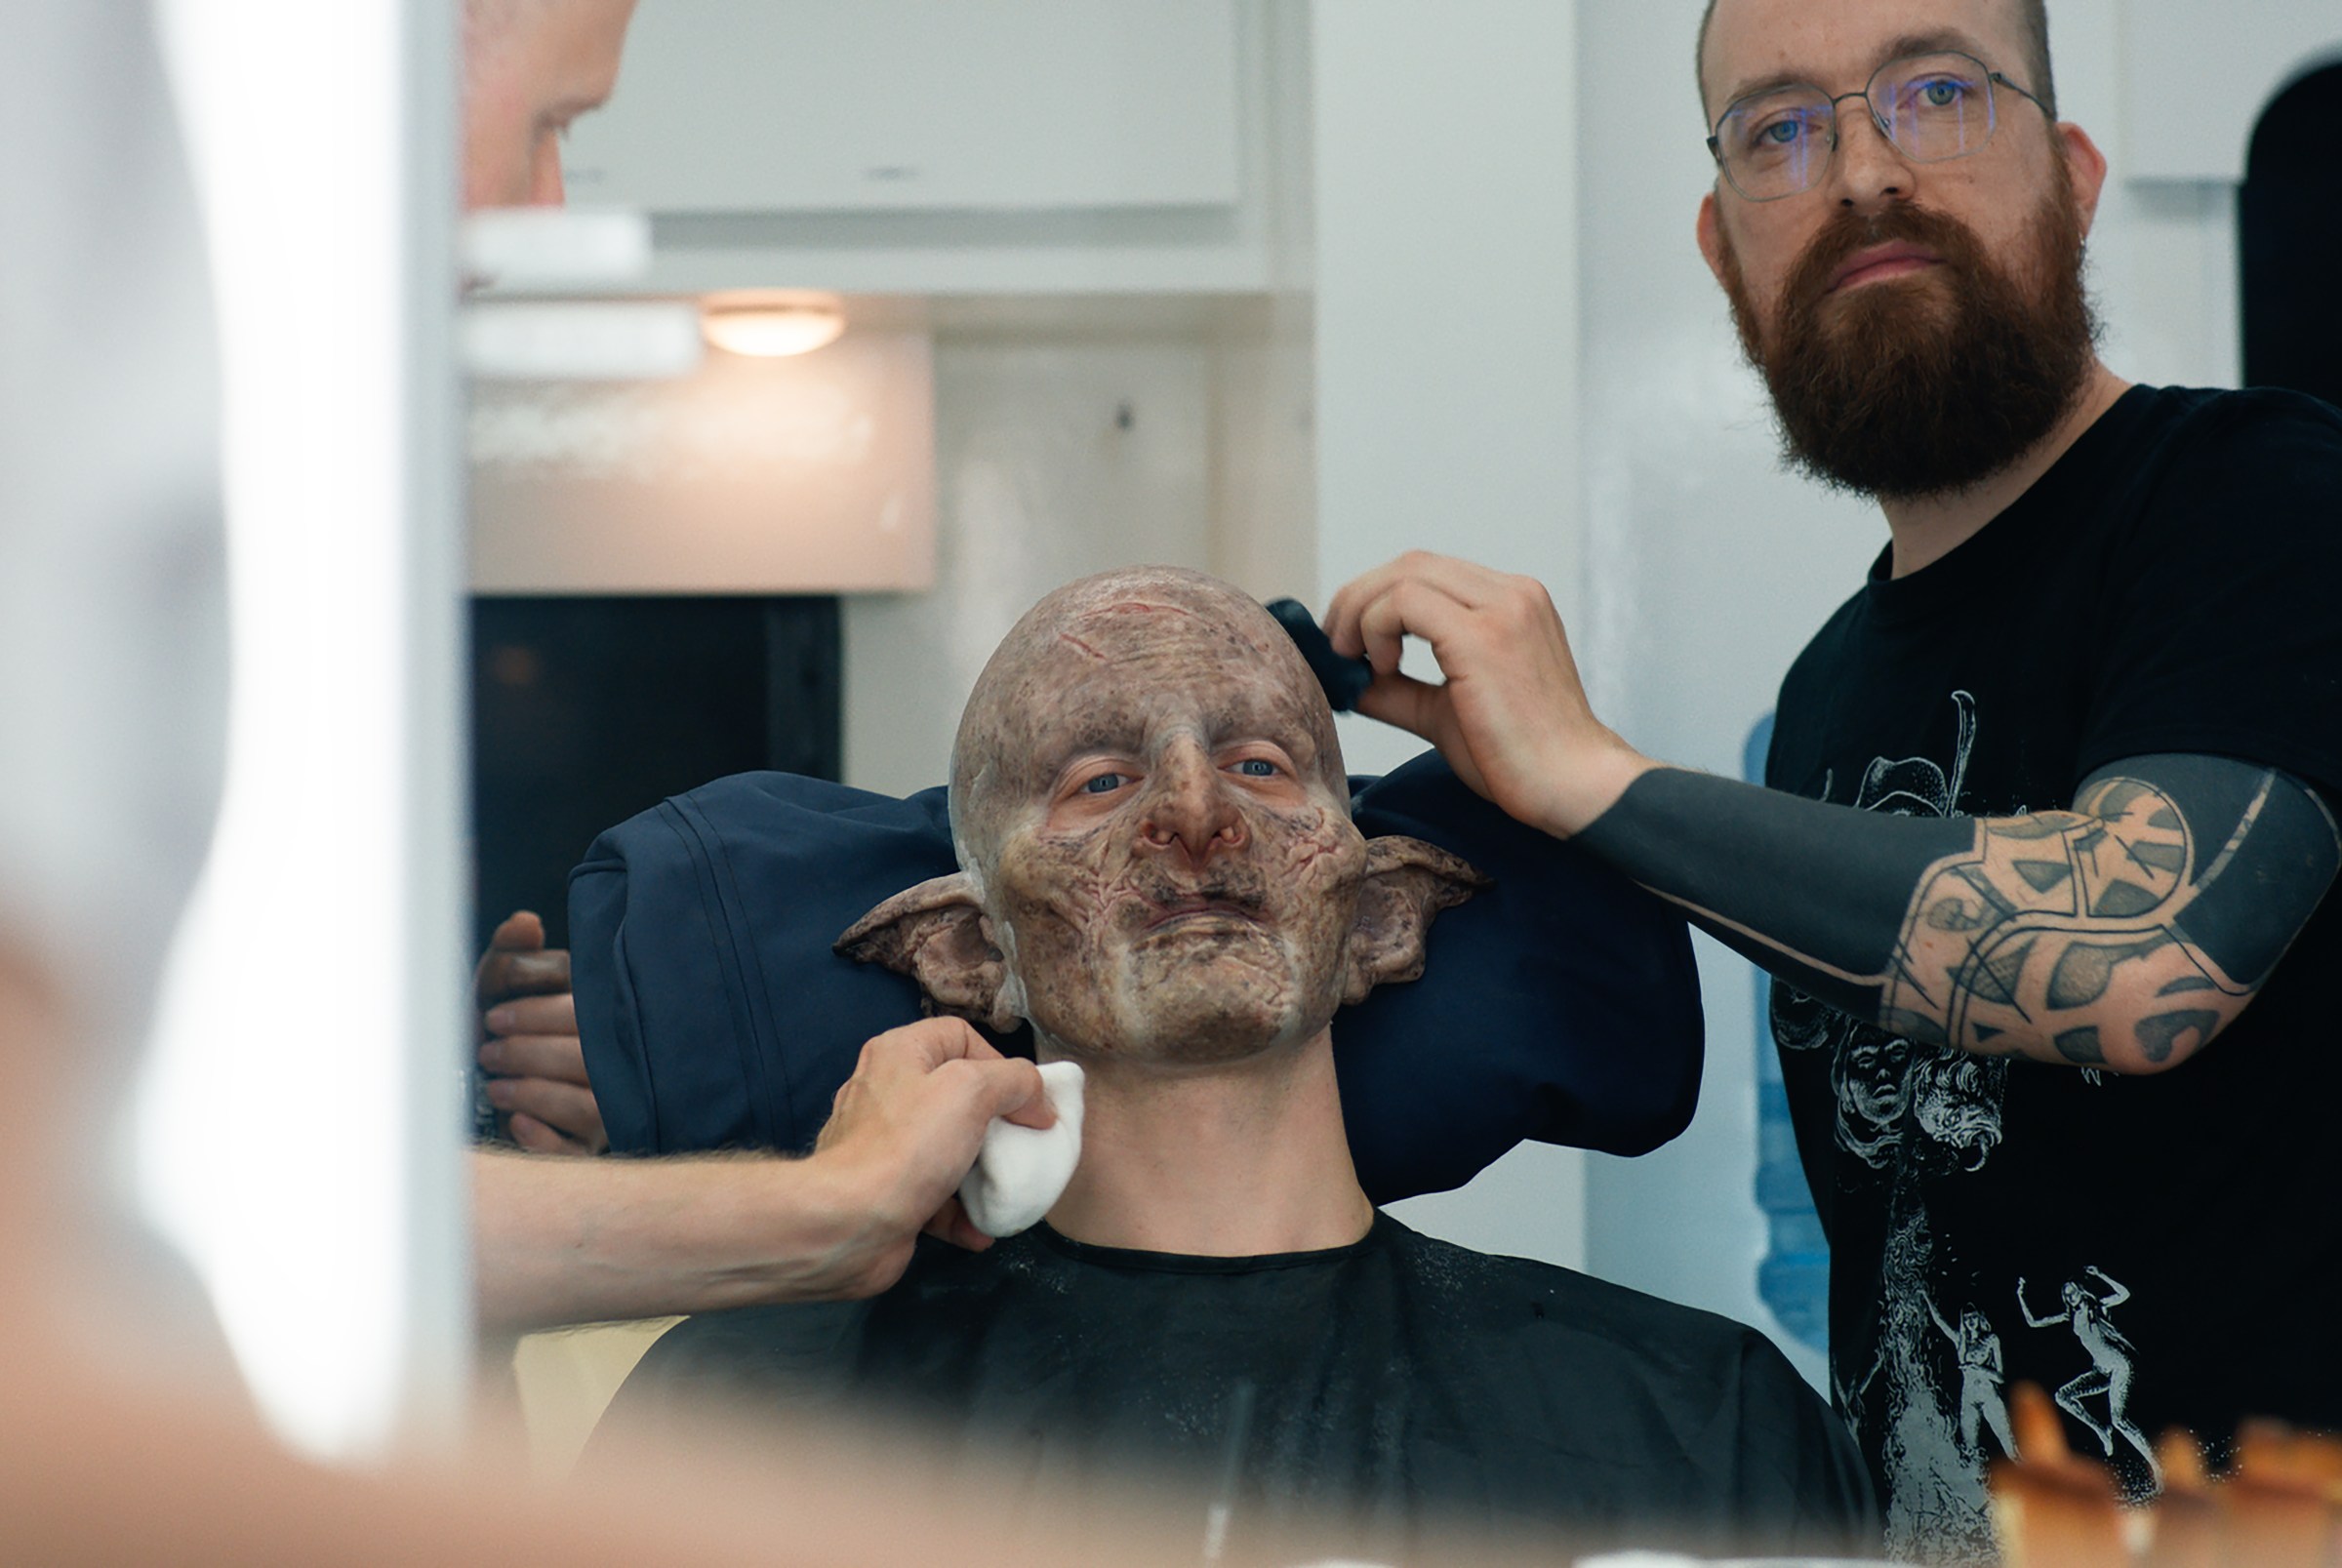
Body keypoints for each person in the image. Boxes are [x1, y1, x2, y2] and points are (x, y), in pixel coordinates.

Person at [1312, 0, 2342, 1557]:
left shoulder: (2263, 495)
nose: (1861, 170)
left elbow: (2151, 957)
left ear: (2070, 174)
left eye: (1936, 92)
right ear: (1727, 251)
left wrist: (1589, 778)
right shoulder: (1822, 702)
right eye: (1779, 128)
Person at [603, 568, 1874, 1562]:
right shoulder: (748, 1426)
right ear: (965, 951)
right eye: (1098, 780)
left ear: (1382, 914)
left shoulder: (1696, 1427)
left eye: (1263, 765)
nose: (1196, 815)